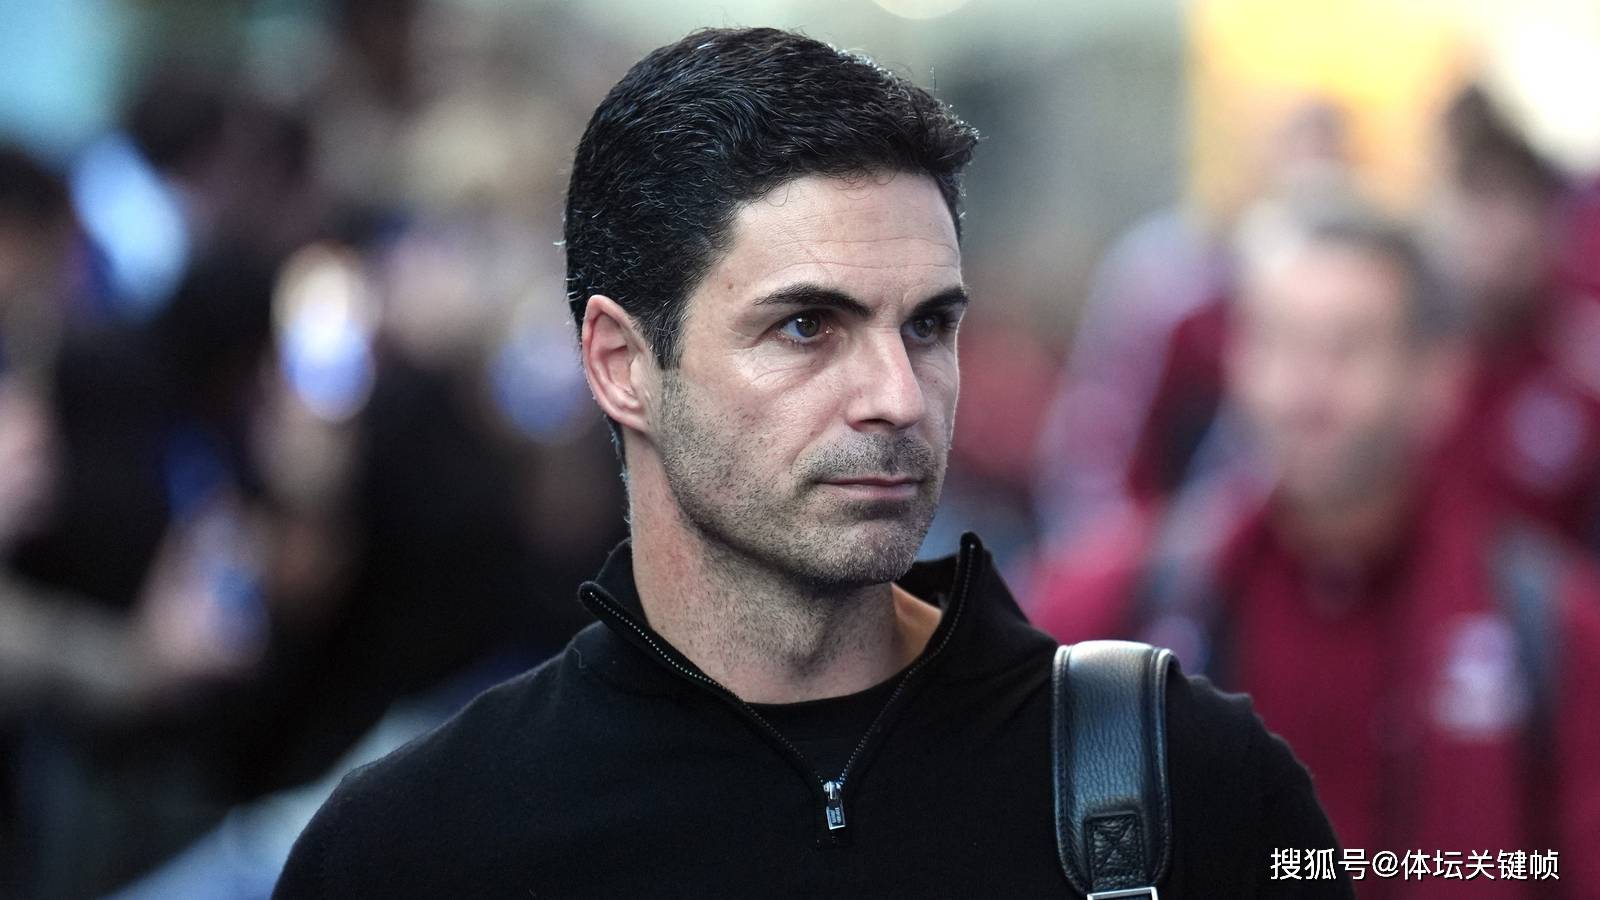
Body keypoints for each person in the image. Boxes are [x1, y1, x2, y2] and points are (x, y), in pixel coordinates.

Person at [275, 27, 1347, 897]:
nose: (897, 396)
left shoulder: (1184, 782)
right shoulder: (417, 847)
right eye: (805, 327)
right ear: (622, 365)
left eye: (928, 326)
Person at [1033, 199, 1600, 897]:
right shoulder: (1114, 607)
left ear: (1438, 376)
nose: (1303, 389)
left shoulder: (1553, 629)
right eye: (1276, 342)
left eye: (1346, 348)